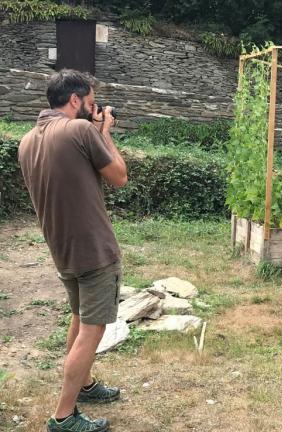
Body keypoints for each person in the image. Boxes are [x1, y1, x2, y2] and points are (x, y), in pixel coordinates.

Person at [18, 69, 128, 432]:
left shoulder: (27, 141)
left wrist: (95, 130)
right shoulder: (79, 130)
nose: (93, 111)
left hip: (63, 249)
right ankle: (63, 416)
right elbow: (119, 176)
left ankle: (84, 384)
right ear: (75, 100)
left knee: (80, 319)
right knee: (92, 330)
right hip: (94, 249)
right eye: (90, 103)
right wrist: (105, 133)